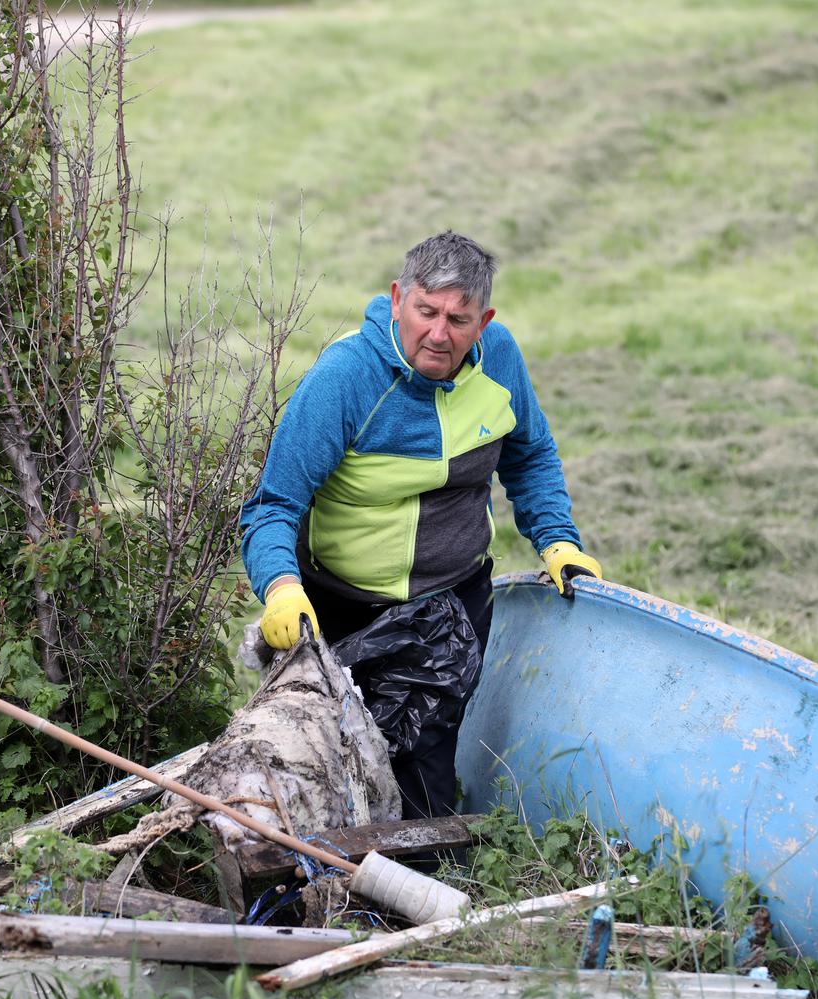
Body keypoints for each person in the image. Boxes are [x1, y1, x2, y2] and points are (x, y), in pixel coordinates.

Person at [239, 231, 601, 819]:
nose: (438, 333)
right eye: (426, 311)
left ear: (483, 322)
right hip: (342, 608)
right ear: (397, 299)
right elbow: (272, 505)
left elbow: (530, 456)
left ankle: (417, 873)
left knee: (422, 776)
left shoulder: (499, 359)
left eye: (458, 319)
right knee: (323, 772)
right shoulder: (346, 378)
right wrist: (281, 588)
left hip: (452, 603)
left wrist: (558, 541)